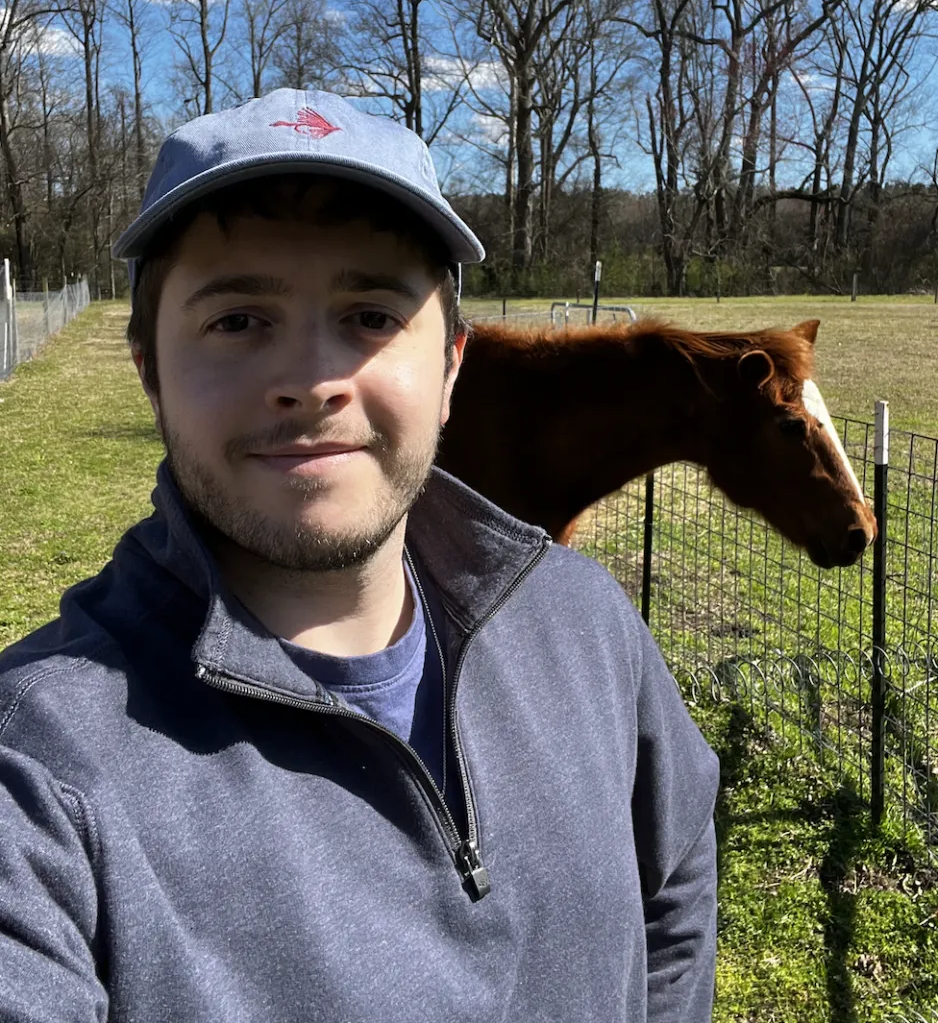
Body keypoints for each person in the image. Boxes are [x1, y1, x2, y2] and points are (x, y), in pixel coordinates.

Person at [0, 89, 719, 1022]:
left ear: (453, 367)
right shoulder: (40, 774)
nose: (310, 383)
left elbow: (674, 888)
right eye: (238, 321)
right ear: (150, 370)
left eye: (372, 316)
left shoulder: (585, 625)